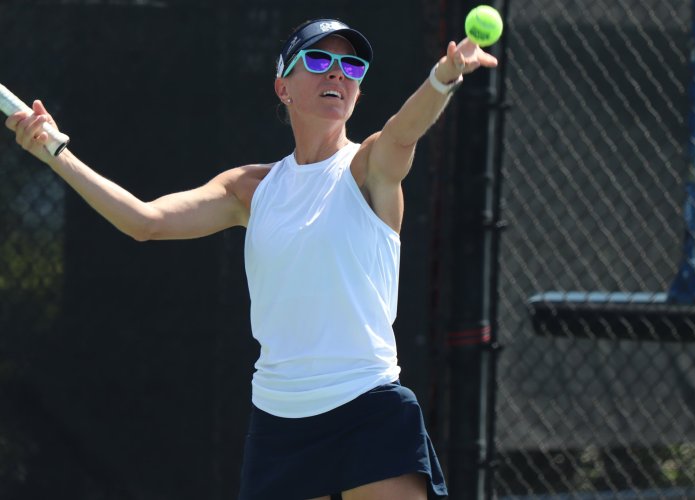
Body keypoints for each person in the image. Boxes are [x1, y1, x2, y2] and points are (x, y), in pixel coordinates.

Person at [6, 18, 498, 500]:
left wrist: (443, 78)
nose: (337, 73)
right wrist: (55, 154)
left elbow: (402, 134)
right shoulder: (249, 188)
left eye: (352, 67)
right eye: (319, 60)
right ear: (283, 87)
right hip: (280, 422)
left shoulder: (369, 167)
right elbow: (145, 220)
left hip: (369, 408)